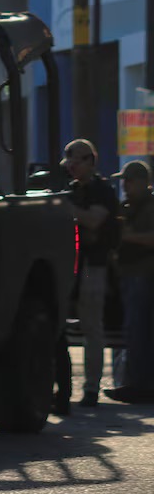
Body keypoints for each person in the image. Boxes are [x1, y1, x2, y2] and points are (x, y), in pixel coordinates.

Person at [62, 138, 121, 408]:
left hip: (92, 266)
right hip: (68, 264)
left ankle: (90, 389)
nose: (72, 166)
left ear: (90, 161)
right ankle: (61, 389)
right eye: (69, 160)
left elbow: (94, 220)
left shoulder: (102, 190)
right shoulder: (70, 190)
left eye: (77, 160)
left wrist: (66, 209)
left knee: (91, 327)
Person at [104, 160, 154, 404]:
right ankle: (128, 382)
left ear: (144, 182)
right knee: (128, 332)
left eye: (130, 180)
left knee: (138, 332)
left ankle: (138, 385)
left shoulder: (150, 206)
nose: (125, 185)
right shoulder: (125, 206)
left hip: (144, 275)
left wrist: (127, 236)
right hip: (125, 275)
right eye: (123, 180)